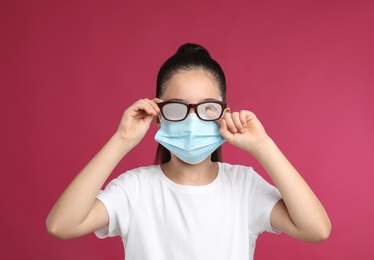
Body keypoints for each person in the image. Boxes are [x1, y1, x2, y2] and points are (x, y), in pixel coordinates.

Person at [46, 43, 331, 260]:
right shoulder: (134, 189)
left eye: (208, 108)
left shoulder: (244, 186)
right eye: (177, 108)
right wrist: (122, 140)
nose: (192, 120)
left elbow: (316, 229)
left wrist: (262, 145)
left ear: (224, 114)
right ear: (158, 115)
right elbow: (61, 225)